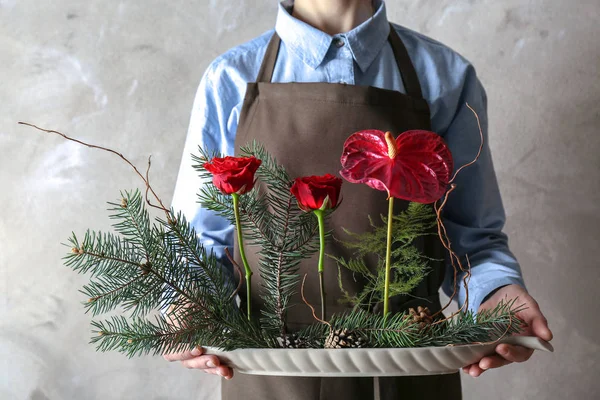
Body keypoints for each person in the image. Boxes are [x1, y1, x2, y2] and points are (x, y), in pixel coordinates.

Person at [163, 0, 553, 399]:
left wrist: (497, 294)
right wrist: (190, 305)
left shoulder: (446, 77)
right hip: (270, 373)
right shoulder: (229, 79)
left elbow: (469, 238)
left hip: (409, 370)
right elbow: (197, 245)